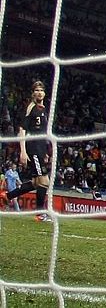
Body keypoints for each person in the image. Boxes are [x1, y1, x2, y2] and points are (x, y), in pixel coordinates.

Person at [6, 81, 53, 221]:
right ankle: (40, 214)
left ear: (44, 93)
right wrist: (23, 151)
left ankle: (7, 196)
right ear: (33, 93)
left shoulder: (43, 108)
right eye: (36, 90)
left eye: (41, 90)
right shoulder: (30, 108)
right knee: (44, 181)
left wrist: (45, 152)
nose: (39, 92)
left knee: (35, 182)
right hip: (32, 149)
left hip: (40, 149)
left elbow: (42, 133)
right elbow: (22, 130)